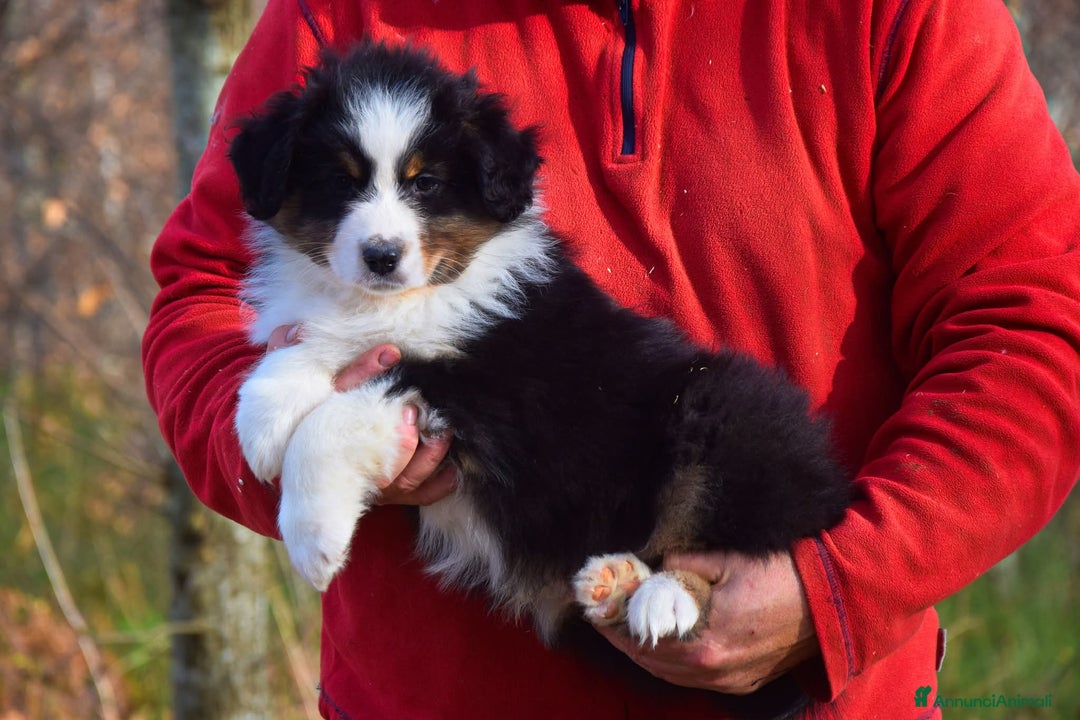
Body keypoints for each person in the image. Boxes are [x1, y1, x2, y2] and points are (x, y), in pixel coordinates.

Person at [142, 0, 1080, 717]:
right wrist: (289, 432)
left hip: (815, 683)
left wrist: (839, 585)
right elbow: (204, 298)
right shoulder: (342, 18)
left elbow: (1038, 322)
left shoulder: (905, 14)